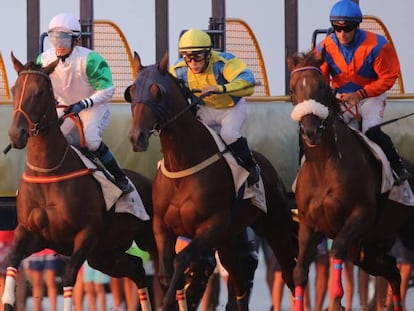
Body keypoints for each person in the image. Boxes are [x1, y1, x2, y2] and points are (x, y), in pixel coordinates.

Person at [37, 12, 132, 194]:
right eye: (54, 38)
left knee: (91, 140)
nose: (58, 43)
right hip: (65, 107)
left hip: (93, 107)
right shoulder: (43, 60)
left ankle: (120, 178)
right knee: (52, 140)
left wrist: (84, 104)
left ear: (75, 40)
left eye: (63, 39)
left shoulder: (90, 60)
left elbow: (107, 90)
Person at [317, 0, 410, 185]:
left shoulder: (377, 45)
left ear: (357, 26)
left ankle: (397, 166)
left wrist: (361, 94)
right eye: (337, 28)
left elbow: (389, 76)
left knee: (371, 131)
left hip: (371, 98)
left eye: (348, 28)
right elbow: (320, 77)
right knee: (322, 132)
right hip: (341, 99)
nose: (342, 33)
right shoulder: (324, 47)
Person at [169, 28, 260, 186]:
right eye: (187, 58)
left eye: (197, 57)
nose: (193, 63)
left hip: (231, 108)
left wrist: (220, 88)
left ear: (208, 54)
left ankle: (251, 167)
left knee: (228, 134)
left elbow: (249, 83)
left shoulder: (224, 62)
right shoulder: (178, 69)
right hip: (204, 110)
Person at [0, 230, 26, 311]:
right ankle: (3, 308)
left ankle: (20, 307)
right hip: (8, 242)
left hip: (14, 241)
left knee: (18, 278)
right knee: (2, 281)